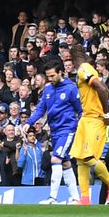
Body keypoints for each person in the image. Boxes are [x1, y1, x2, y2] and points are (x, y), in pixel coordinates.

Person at [26, 59, 80, 204]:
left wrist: (81, 131)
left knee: (55, 159)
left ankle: (52, 197)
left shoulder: (70, 88)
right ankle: (75, 198)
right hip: (54, 130)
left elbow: (80, 110)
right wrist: (28, 122)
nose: (49, 79)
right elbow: (40, 109)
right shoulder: (48, 90)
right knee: (65, 162)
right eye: (48, 76)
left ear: (60, 72)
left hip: (67, 129)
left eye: (52, 76)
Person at [71, 54, 109, 205]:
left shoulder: (83, 69)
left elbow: (102, 89)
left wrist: (105, 113)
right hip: (86, 118)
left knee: (87, 157)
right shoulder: (92, 71)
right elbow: (104, 88)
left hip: (94, 119)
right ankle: (85, 198)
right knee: (80, 158)